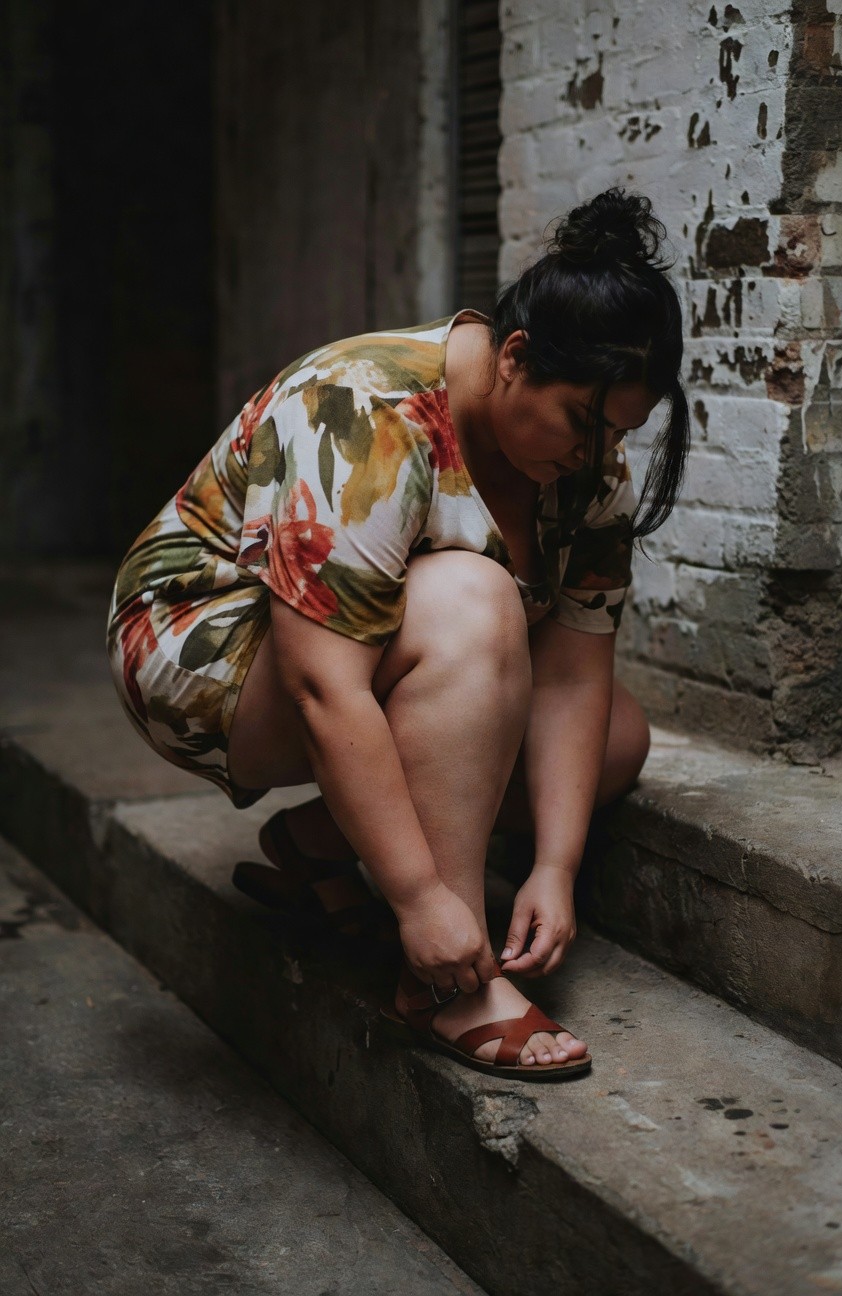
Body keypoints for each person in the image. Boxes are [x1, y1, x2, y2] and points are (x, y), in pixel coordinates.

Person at [107, 187, 689, 1082]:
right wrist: (419, 900)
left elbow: (574, 678)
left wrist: (555, 867)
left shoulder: (587, 468)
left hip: (357, 656)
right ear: (515, 357)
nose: (595, 453)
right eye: (583, 420)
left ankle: (315, 843)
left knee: (618, 737)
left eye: (618, 431)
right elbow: (322, 687)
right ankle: (449, 986)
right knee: (472, 602)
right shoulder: (364, 408)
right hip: (204, 648)